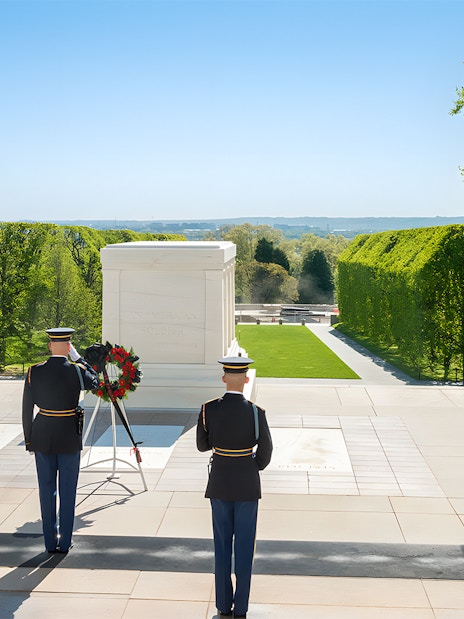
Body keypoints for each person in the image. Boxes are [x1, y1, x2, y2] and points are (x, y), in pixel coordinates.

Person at [197, 356, 273, 619]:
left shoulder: (209, 409)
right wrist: (251, 466)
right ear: (246, 379)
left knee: (221, 546)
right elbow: (266, 452)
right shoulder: (255, 412)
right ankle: (241, 607)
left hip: (219, 482)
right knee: (243, 549)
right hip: (247, 484)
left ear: (223, 378)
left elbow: (202, 445)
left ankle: (222, 604)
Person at [22, 327, 100, 553]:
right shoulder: (77, 371)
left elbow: (27, 408)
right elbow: (95, 381)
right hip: (68, 436)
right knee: (68, 490)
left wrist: (29, 440)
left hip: (42, 435)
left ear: (49, 346)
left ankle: (49, 542)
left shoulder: (34, 371)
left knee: (46, 490)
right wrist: (80, 359)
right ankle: (64, 542)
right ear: (68, 346)